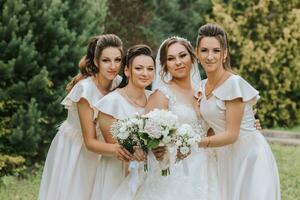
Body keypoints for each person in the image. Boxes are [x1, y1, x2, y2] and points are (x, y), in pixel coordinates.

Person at [112, 36, 221, 200]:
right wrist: (158, 148)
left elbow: (215, 126)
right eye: (171, 58)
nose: (178, 62)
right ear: (164, 65)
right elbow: (147, 136)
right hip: (174, 168)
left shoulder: (205, 90)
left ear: (192, 57)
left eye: (182, 56)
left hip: (206, 166)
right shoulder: (162, 95)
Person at [38, 34, 130, 200]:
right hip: (78, 149)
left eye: (117, 60)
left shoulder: (118, 83)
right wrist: (120, 149)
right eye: (106, 60)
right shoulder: (85, 90)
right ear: (96, 62)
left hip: (102, 148)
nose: (113, 66)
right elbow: (89, 142)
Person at [196, 23, 281, 200]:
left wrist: (194, 142)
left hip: (249, 155)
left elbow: (232, 134)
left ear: (224, 54)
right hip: (224, 157)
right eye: (204, 50)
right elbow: (213, 125)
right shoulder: (201, 86)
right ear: (197, 53)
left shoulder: (233, 84)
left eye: (216, 51)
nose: (210, 56)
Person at [91, 45, 155, 200]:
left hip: (148, 171)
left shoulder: (154, 98)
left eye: (150, 69)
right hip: (117, 171)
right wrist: (136, 148)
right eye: (139, 68)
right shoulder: (111, 103)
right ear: (127, 71)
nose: (145, 73)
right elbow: (113, 143)